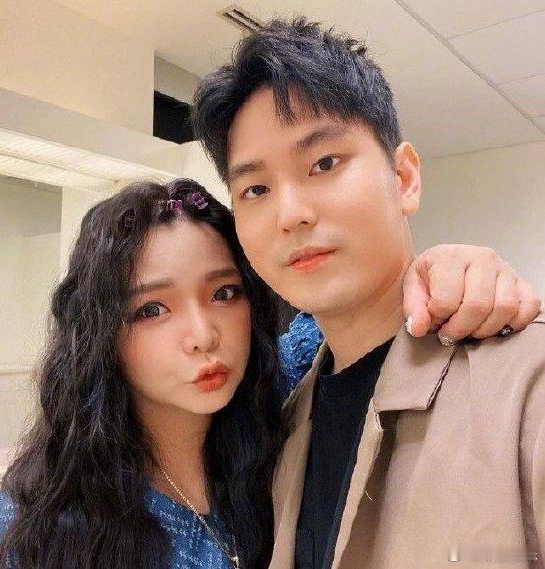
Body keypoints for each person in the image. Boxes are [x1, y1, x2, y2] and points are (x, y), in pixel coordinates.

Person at [0, 177, 537, 569]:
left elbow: (355, 305)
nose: (203, 335)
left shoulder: (278, 396)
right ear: (99, 335)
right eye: (152, 309)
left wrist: (451, 268)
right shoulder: (33, 524)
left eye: (224, 293)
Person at [192, 18, 544, 568]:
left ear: (403, 179)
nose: (291, 214)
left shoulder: (526, 388)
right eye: (256, 189)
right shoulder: (285, 424)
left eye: (324, 163)